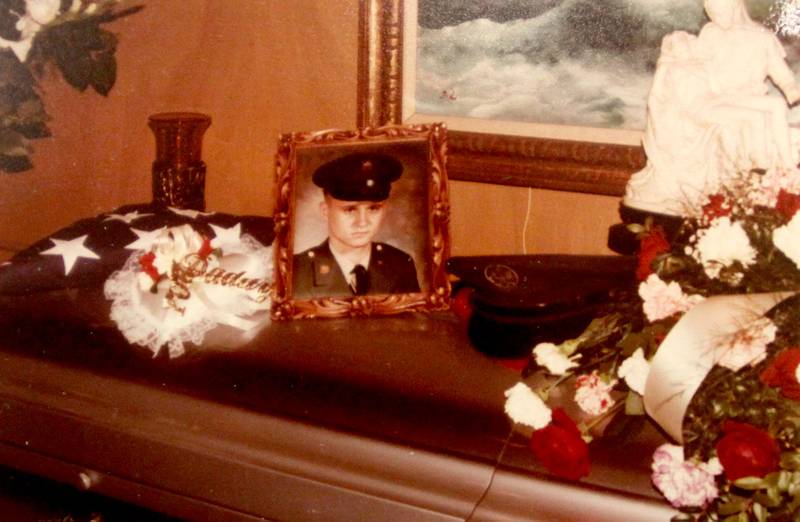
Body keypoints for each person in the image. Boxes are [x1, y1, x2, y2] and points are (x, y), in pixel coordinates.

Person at [623, 0, 800, 216]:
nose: (715, 19)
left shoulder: (762, 39)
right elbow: (680, 56)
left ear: (735, 7)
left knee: (775, 105)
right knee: (752, 119)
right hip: (714, 98)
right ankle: (759, 174)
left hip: (743, 98)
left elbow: (783, 76)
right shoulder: (710, 33)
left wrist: (791, 88)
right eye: (711, 13)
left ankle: (785, 171)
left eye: (719, 12)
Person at [292, 152, 420, 298]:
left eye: (373, 208)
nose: (362, 222)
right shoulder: (296, 272)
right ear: (325, 211)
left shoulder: (401, 264)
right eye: (350, 210)